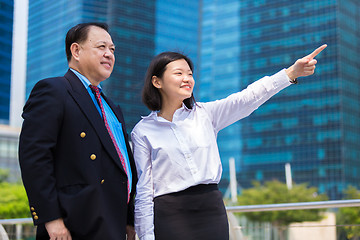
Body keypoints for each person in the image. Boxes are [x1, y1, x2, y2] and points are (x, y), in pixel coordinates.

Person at [131, 45, 327, 240]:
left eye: (190, 74)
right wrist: (146, 235)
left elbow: (248, 98)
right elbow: (145, 189)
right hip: (169, 215)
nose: (187, 79)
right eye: (179, 73)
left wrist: (291, 73)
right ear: (157, 81)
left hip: (211, 209)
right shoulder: (143, 131)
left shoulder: (206, 114)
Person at [19, 22, 137, 240]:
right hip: (73, 225)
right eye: (101, 47)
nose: (109, 54)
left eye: (112, 49)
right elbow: (34, 158)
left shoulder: (112, 107)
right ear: (76, 50)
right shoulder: (54, 90)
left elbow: (122, 166)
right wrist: (51, 219)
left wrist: (129, 220)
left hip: (113, 222)